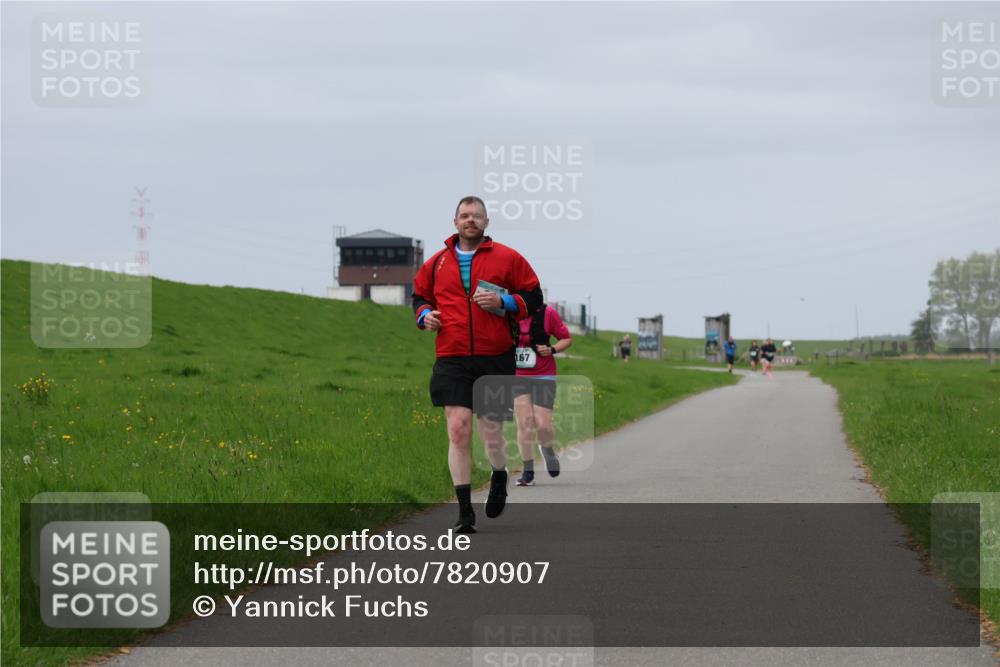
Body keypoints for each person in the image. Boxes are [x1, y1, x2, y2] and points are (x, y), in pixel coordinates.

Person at [412, 196, 543, 534]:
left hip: (494, 356)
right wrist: (425, 316)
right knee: (457, 429)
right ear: (455, 221)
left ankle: (499, 474)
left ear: (487, 222)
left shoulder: (508, 258)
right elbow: (419, 298)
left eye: (477, 216)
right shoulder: (437, 263)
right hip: (451, 355)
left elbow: (533, 297)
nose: (470, 220)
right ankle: (464, 512)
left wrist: (504, 301)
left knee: (491, 434)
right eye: (465, 215)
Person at [512, 303, 573, 486]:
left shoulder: (548, 313)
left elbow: (566, 338)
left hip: (543, 375)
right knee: (524, 423)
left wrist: (552, 349)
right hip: (517, 375)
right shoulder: (507, 312)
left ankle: (547, 448)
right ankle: (528, 472)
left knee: (544, 425)